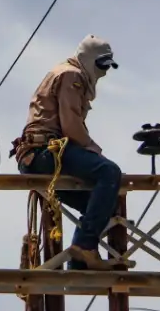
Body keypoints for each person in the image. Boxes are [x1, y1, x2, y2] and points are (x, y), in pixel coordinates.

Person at [9, 34, 122, 271]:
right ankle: (85, 247)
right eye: (101, 65)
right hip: (44, 153)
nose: (103, 72)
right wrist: (95, 152)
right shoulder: (72, 75)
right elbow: (71, 126)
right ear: (88, 59)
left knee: (102, 203)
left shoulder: (68, 73)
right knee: (109, 173)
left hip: (37, 155)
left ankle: (80, 259)